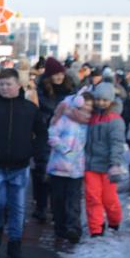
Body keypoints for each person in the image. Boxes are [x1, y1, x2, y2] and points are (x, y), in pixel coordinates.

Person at [0, 68, 46, 258]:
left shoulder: (29, 108)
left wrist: (36, 153)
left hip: (20, 166)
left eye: (8, 84)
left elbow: (41, 133)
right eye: (1, 84)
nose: (4, 88)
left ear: (18, 85)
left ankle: (14, 245)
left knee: (18, 207)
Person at [46, 92, 92, 247]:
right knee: (58, 200)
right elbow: (52, 135)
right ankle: (59, 228)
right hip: (59, 166)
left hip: (76, 169)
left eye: (90, 106)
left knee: (73, 200)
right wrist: (66, 150)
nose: (87, 109)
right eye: (85, 105)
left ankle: (73, 228)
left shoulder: (88, 123)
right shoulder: (64, 118)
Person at [85, 81, 128, 237]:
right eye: (98, 99)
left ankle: (114, 221)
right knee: (92, 198)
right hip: (90, 165)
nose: (101, 103)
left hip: (108, 166)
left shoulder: (115, 120)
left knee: (109, 200)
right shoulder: (92, 117)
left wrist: (114, 163)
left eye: (104, 100)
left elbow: (117, 143)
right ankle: (96, 228)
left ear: (111, 101)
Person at [34, 57, 73, 220]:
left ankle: (57, 209)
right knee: (42, 169)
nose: (59, 77)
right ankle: (41, 206)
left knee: (59, 173)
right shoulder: (41, 89)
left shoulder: (70, 88)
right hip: (44, 132)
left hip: (64, 134)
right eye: (55, 74)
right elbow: (40, 108)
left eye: (60, 74)